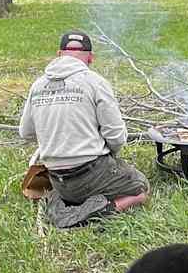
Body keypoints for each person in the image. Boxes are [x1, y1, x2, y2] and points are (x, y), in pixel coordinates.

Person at [19, 31, 151, 228]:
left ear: (59, 54)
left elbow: (26, 132)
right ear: (90, 58)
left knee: (73, 189)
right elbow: (116, 136)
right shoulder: (95, 82)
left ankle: (61, 201)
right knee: (141, 187)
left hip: (57, 178)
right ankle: (101, 211)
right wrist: (111, 157)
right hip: (90, 172)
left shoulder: (38, 85)